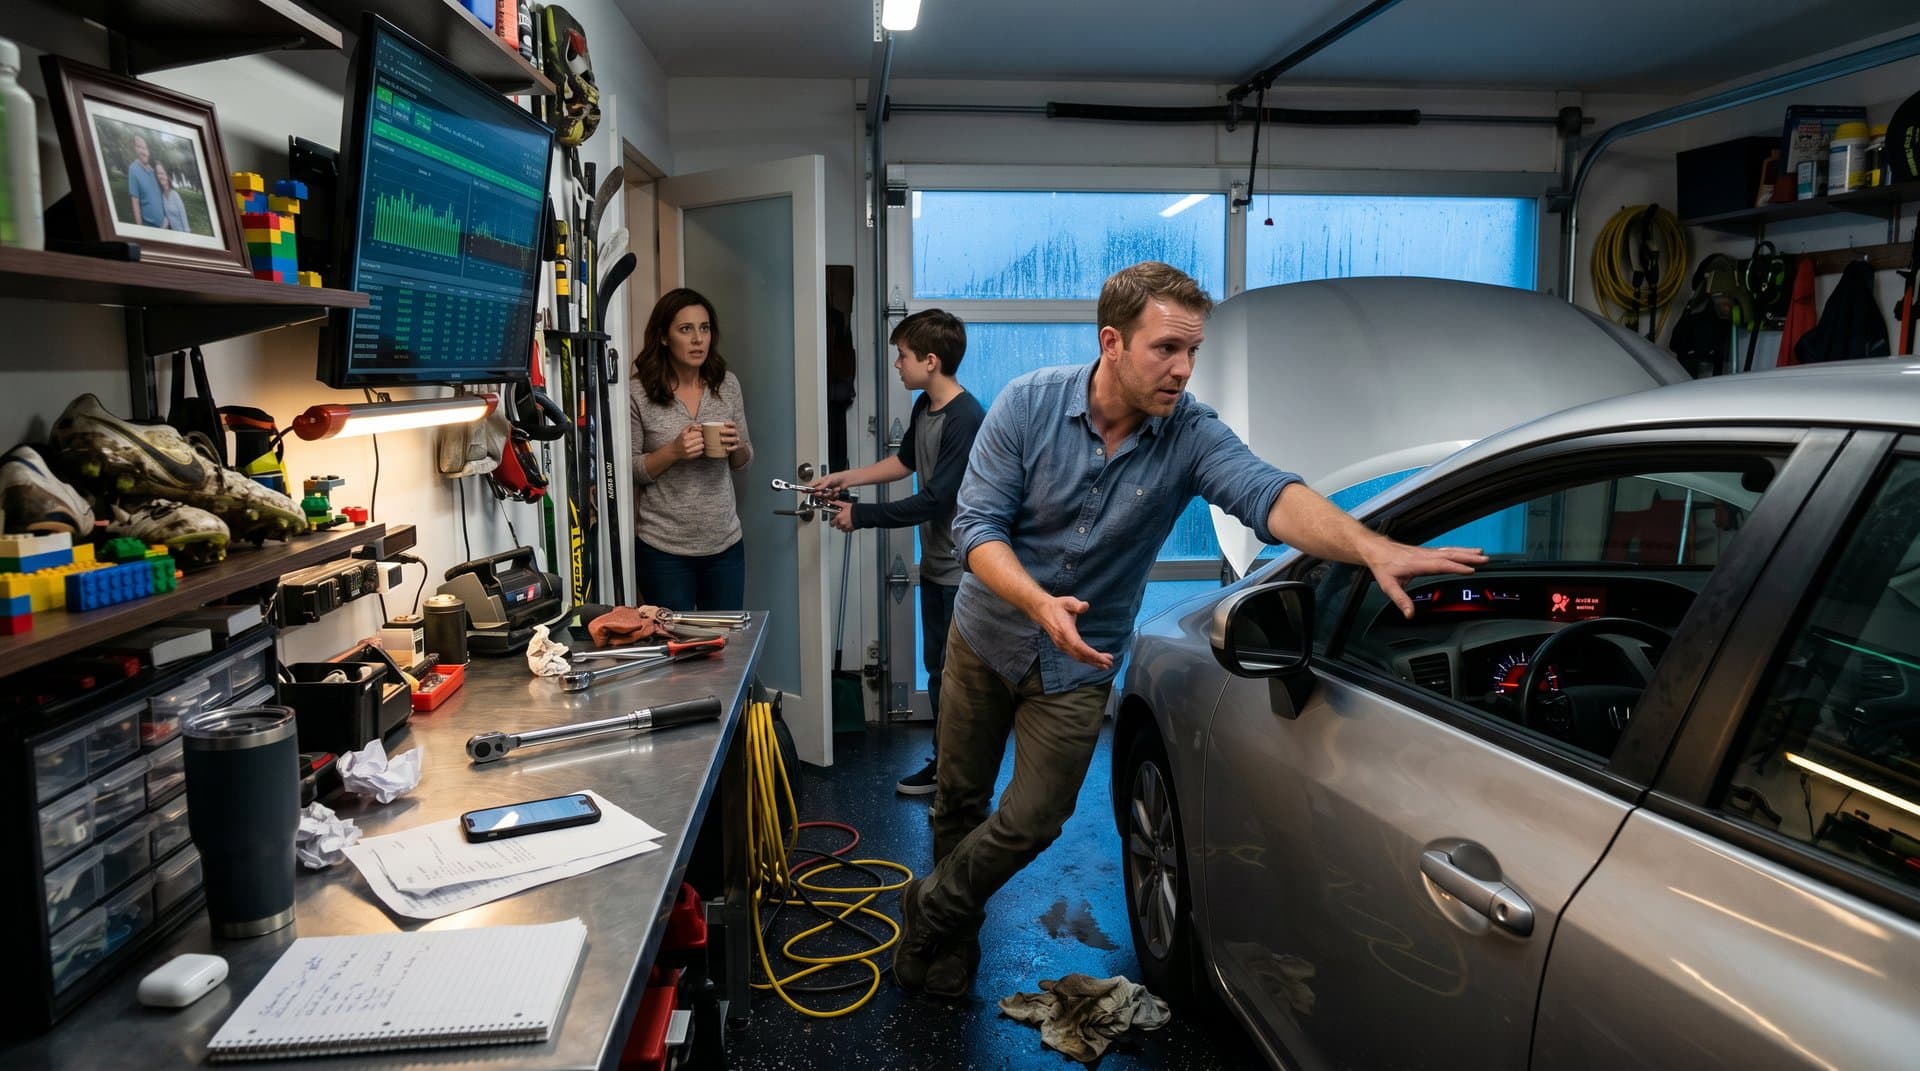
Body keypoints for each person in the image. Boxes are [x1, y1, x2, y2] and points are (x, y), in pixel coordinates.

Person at [893, 261, 1486, 1000]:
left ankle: (931, 907)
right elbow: (977, 528)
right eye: (1166, 348)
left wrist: (1367, 545)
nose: (1183, 368)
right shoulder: (1027, 404)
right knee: (959, 801)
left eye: (1193, 351)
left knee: (1036, 817)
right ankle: (952, 941)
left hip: (1080, 662)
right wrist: (1039, 601)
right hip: (986, 638)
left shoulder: (1191, 432)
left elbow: (1269, 493)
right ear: (1112, 342)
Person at [813, 309, 985, 796]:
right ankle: (946, 768)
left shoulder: (966, 418)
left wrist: (861, 515)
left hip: (964, 573)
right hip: (936, 566)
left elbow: (935, 500)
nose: (897, 364)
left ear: (931, 361)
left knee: (959, 680)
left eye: (902, 355)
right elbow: (906, 462)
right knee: (939, 673)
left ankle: (961, 782)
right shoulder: (925, 406)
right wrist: (846, 478)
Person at [629, 288, 753, 612]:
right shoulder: (638, 392)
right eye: (686, 329)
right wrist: (673, 451)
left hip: (724, 545)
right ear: (664, 337)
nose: (698, 339)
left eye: (705, 328)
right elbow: (630, 470)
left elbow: (743, 460)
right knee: (673, 641)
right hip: (663, 550)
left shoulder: (727, 384)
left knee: (725, 640)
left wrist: (737, 445)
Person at [125, 134, 165, 228]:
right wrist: (141, 230)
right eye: (140, 147)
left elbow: (161, 196)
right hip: (150, 226)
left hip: (164, 224)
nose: (144, 151)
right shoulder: (133, 169)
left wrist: (166, 218)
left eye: (145, 148)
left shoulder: (153, 171)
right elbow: (135, 202)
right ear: (135, 149)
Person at [156, 162, 189, 232]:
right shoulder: (162, 196)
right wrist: (159, 231)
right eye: (158, 174)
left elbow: (183, 216)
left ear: (167, 176)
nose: (160, 176)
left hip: (183, 233)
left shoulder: (175, 195)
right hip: (174, 234)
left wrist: (187, 234)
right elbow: (167, 217)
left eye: (162, 173)